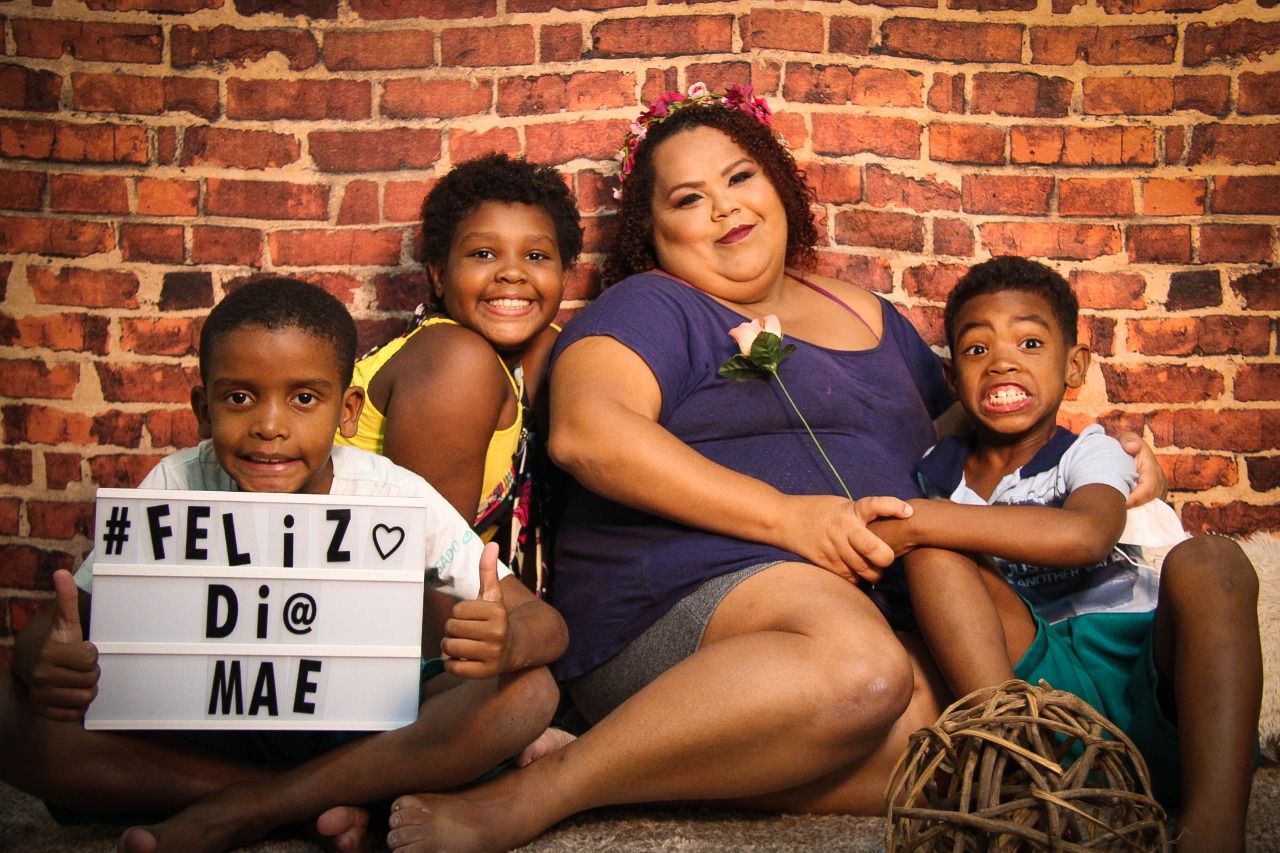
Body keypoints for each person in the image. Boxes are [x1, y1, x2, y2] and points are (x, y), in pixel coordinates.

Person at [379, 85, 1169, 853]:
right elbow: (591, 436)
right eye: (687, 199)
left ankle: (616, 761)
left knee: (952, 740)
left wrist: (1093, 460)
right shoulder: (652, 305)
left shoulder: (873, 317)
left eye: (739, 178)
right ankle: (544, 793)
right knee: (860, 671)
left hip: (859, 606)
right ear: (650, 234)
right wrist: (790, 517)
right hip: (678, 590)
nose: (723, 209)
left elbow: (978, 418)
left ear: (780, 185)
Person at [0, 278, 568, 853]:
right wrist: (46, 661)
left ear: (347, 411)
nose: (269, 426)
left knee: (529, 693)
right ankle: (304, 800)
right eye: (240, 398)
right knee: (7, 710)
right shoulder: (179, 482)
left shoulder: (390, 495)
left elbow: (546, 626)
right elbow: (56, 632)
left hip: (364, 729)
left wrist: (508, 643)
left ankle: (248, 808)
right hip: (208, 731)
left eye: (303, 398)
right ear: (202, 409)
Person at [873, 256, 1262, 853]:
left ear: (1072, 367)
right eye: (977, 351)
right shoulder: (937, 471)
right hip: (1035, 682)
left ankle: (1214, 827)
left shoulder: (1091, 452)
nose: (1002, 361)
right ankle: (1017, 774)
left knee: (1212, 559)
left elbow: (1086, 536)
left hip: (1142, 669)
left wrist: (923, 519)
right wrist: (925, 526)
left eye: (1030, 342)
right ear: (953, 380)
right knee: (931, 554)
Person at [336, 152, 583, 599]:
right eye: (483, 253)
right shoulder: (455, 360)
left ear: (565, 274)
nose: (512, 272)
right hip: (359, 599)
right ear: (438, 273)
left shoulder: (546, 349)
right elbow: (426, 571)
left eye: (536, 255)